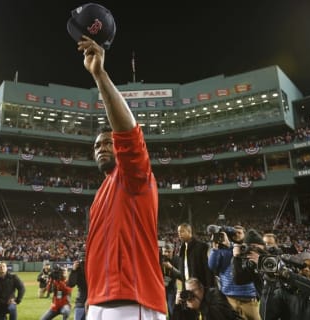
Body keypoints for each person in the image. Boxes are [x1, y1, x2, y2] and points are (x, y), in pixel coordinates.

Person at [78, 34, 166, 319]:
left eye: (108, 143)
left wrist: (100, 75)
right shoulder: (101, 193)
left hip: (133, 303)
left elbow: (129, 135)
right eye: (96, 145)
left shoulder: (133, 177)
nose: (101, 148)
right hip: (97, 302)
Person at [260, 252, 310, 319]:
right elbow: (266, 317)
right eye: (301, 267)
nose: (306, 269)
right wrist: (269, 283)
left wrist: (289, 275)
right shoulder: (283, 294)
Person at [208, 226, 260, 320]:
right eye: (234, 233)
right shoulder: (221, 250)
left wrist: (230, 246)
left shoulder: (250, 248)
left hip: (248, 298)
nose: (236, 234)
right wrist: (215, 249)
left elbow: (240, 254)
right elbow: (212, 266)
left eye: (239, 233)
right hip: (229, 298)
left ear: (245, 235)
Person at [174, 277, 242, 320]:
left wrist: (200, 306)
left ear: (202, 288)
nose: (191, 295)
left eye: (193, 291)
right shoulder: (189, 302)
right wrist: (177, 306)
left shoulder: (215, 294)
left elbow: (221, 316)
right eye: (188, 291)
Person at [177, 223, 215, 289]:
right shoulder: (182, 249)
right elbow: (181, 272)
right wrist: (180, 289)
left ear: (189, 232)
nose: (179, 234)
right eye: (178, 232)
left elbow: (208, 270)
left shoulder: (202, 246)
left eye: (182, 231)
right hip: (186, 288)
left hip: (200, 288)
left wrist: (209, 288)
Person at [162, 243, 181, 319]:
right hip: (160, 287)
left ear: (173, 251)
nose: (166, 253)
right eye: (165, 251)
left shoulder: (177, 259)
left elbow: (180, 275)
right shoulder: (160, 258)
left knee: (171, 308)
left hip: (171, 288)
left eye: (169, 251)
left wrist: (171, 267)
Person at [66, 251, 87, 320]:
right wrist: (74, 270)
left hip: (93, 301)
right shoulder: (78, 270)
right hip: (82, 300)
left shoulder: (94, 268)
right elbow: (70, 284)